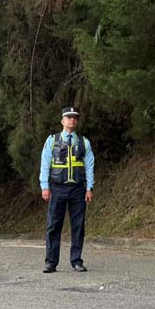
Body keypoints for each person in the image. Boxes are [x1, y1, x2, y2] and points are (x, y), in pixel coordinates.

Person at [39, 107, 95, 273]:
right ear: (62, 121)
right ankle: (51, 262)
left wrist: (89, 187)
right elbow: (45, 164)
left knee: (78, 226)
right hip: (57, 189)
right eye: (69, 117)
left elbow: (89, 166)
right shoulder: (52, 140)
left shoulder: (84, 142)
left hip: (77, 189)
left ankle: (76, 261)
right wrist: (45, 187)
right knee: (53, 226)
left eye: (75, 118)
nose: (72, 120)